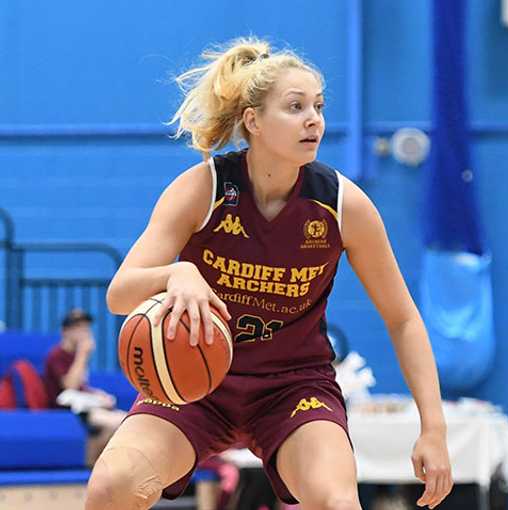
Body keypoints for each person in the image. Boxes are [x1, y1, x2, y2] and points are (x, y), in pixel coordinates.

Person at [85, 37, 452, 510]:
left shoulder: (344, 205)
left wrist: (434, 429)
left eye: (318, 106)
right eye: (295, 107)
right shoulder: (203, 188)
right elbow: (120, 294)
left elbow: (403, 319)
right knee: (110, 486)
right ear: (253, 121)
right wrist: (177, 275)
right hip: (196, 385)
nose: (314, 119)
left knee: (338, 502)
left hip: (293, 387)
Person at [43, 308, 126, 466]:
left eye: (86, 328)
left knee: (119, 425)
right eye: (78, 328)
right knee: (119, 423)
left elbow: (81, 387)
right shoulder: (56, 355)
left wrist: (97, 394)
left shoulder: (74, 355)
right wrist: (83, 353)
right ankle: (91, 467)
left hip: (85, 408)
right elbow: (70, 386)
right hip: (65, 410)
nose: (84, 332)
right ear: (65, 331)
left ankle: (94, 467)